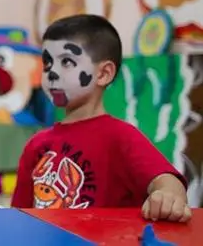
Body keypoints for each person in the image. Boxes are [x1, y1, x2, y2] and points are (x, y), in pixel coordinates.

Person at [11, 14, 191, 222]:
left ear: (103, 74)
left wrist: (168, 195)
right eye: (48, 63)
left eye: (67, 62)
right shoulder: (36, 144)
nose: (52, 73)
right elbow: (19, 217)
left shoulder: (121, 136)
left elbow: (166, 180)